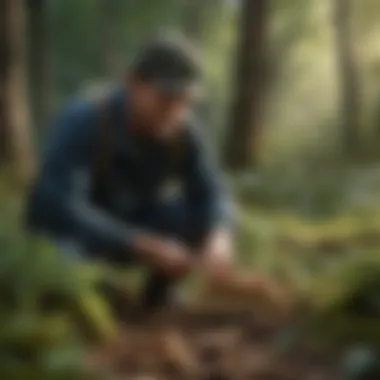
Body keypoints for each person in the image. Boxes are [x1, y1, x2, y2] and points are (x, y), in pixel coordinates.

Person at [25, 33, 233, 312]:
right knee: (63, 254)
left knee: (197, 217)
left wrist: (218, 235)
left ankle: (155, 303)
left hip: (135, 222)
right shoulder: (85, 118)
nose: (174, 111)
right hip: (81, 233)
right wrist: (138, 243)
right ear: (133, 82)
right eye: (165, 98)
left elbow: (211, 191)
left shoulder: (183, 130)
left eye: (184, 102)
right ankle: (66, 313)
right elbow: (59, 206)